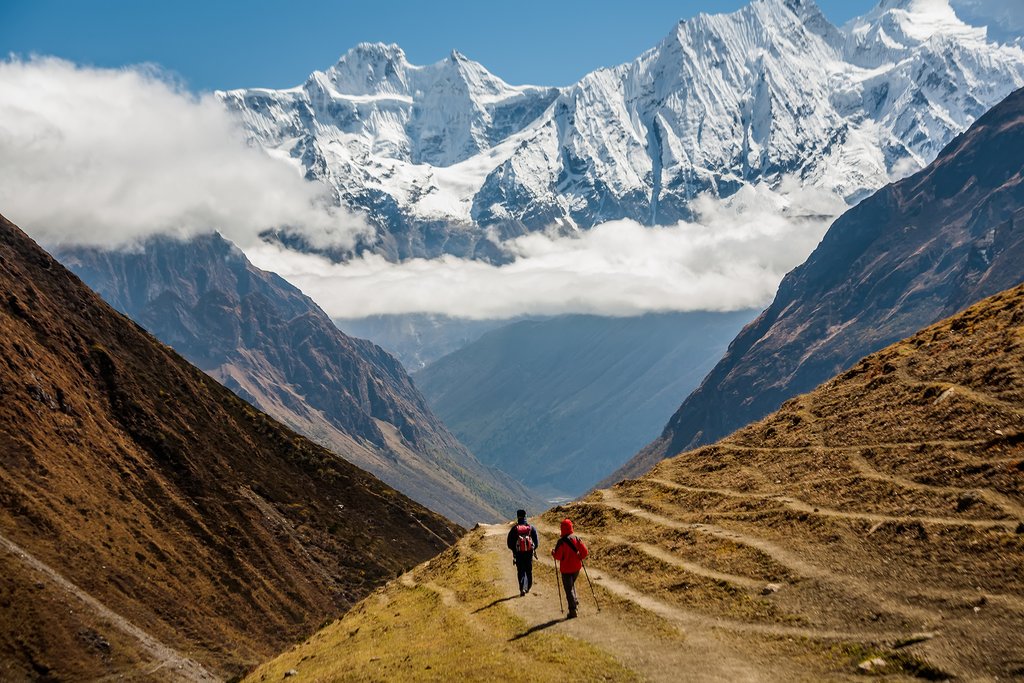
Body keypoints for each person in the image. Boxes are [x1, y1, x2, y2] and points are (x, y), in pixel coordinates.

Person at [551, 517, 589, 619]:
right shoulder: (576, 538)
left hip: (566, 569)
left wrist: (553, 553)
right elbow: (585, 552)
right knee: (571, 585)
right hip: (576, 567)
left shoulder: (561, 542)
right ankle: (575, 601)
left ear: (562, 528)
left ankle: (573, 610)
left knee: (568, 589)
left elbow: (558, 556)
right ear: (571, 527)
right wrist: (579, 557)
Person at [506, 509, 539, 596]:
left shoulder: (514, 529)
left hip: (518, 553)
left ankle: (522, 588)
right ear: (525, 517)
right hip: (528, 553)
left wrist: (515, 550)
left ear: (517, 517)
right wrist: (532, 548)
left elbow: (509, 543)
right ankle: (527, 587)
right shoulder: (531, 528)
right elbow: (536, 543)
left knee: (520, 570)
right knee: (529, 570)